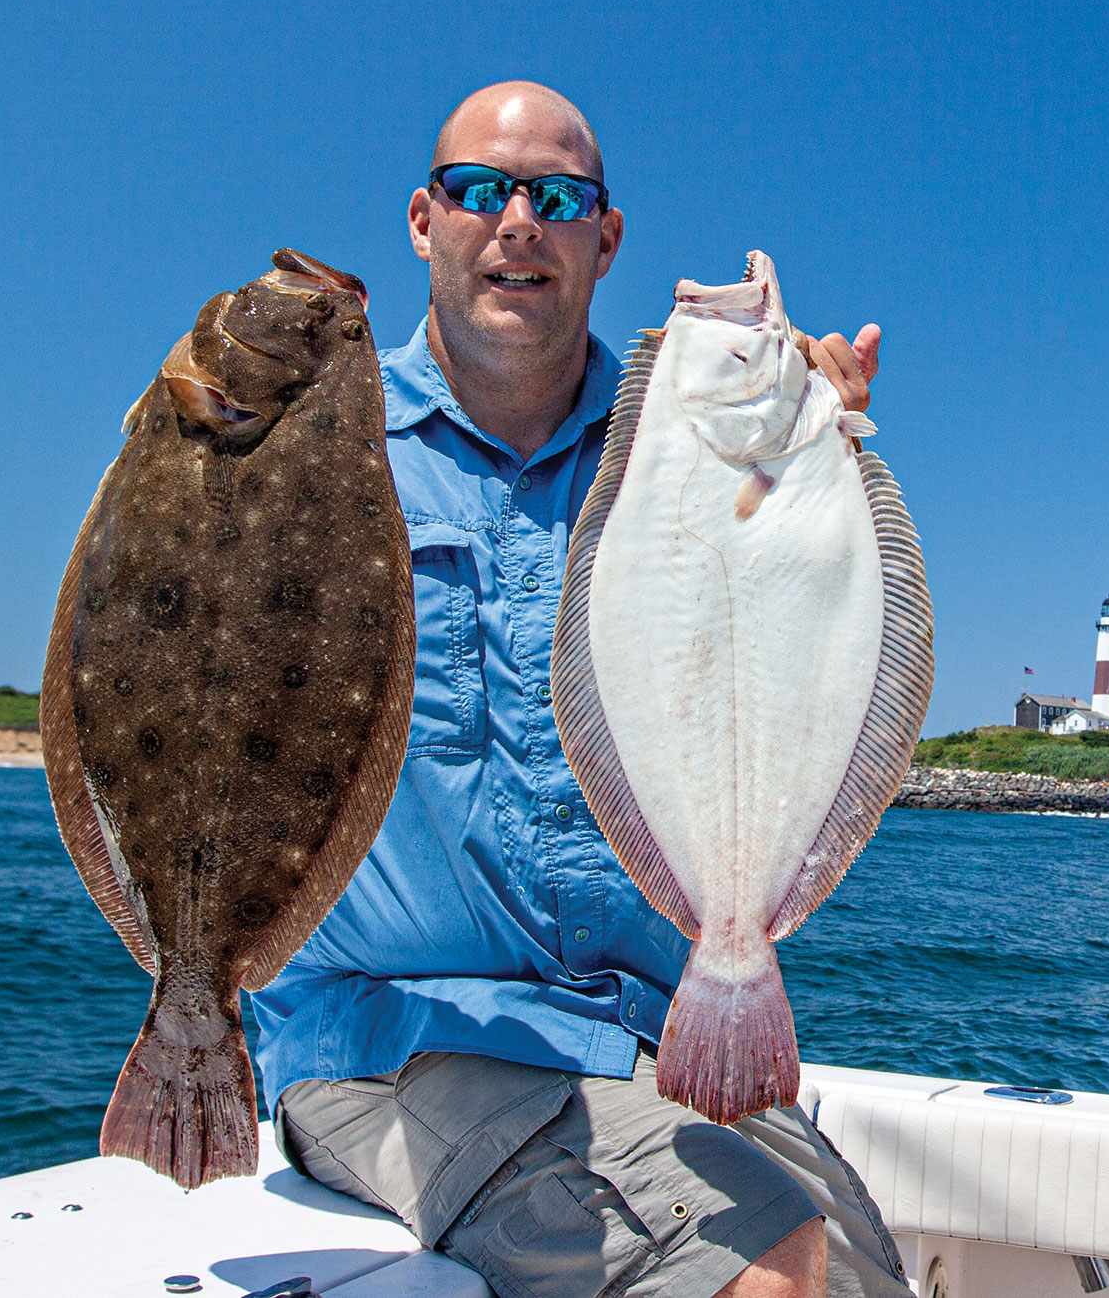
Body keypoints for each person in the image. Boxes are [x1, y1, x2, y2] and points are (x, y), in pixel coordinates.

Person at [251, 81, 906, 1298]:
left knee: (864, 1278)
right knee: (762, 1274)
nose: (516, 221)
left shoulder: (675, 449)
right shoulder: (314, 456)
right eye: (477, 191)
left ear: (603, 240)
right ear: (421, 220)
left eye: (557, 198)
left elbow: (812, 656)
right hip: (398, 1040)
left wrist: (822, 477)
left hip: (650, 1041)